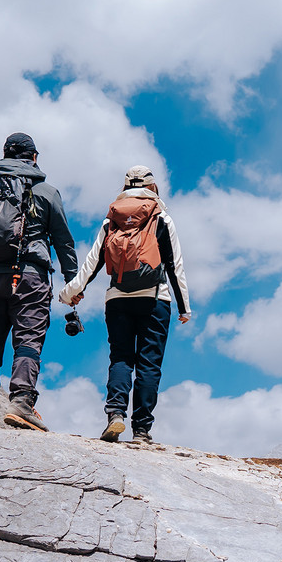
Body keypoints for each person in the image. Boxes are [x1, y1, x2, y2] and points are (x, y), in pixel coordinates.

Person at [58, 166, 191, 444]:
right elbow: (174, 266)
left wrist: (71, 293)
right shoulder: (161, 218)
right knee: (149, 364)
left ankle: (115, 414)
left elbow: (92, 263)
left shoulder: (112, 221)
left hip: (117, 299)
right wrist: (183, 308)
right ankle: (141, 430)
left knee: (120, 358)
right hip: (155, 298)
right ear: (153, 188)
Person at [0, 132, 78, 431]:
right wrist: (72, 282)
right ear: (33, 157)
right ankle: (22, 403)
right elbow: (63, 241)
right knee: (28, 339)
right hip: (31, 276)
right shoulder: (46, 192)